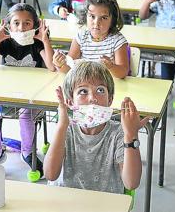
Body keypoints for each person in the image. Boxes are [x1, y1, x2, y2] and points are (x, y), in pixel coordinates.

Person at [44, 61, 147, 193]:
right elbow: (50, 175)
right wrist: (61, 126)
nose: (92, 98)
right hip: (67, 200)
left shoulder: (119, 132)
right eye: (83, 91)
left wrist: (131, 135)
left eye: (100, 90)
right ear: (70, 101)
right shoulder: (66, 129)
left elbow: (131, 183)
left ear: (110, 99)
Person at [0, 3, 55, 175]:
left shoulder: (37, 43)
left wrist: (45, 39)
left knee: (25, 116)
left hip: (33, 97)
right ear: (8, 25)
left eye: (27, 23)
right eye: (16, 23)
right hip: (7, 95)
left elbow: (52, 66)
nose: (21, 28)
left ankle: (27, 152)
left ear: (35, 26)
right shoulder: (6, 43)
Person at [53, 0, 129, 79]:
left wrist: (111, 66)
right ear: (85, 16)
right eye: (92, 16)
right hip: (84, 85)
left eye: (104, 18)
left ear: (112, 20)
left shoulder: (117, 40)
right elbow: (69, 69)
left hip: (107, 87)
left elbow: (123, 72)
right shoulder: (81, 37)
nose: (96, 23)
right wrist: (60, 64)